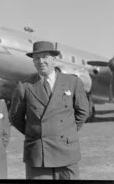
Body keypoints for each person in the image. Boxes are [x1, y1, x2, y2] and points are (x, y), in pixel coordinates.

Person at [9, 41, 89, 180]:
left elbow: (83, 111)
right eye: (36, 58)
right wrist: (37, 132)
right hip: (38, 153)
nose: (40, 61)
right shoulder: (24, 86)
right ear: (33, 62)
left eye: (45, 56)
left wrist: (66, 131)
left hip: (67, 152)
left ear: (54, 59)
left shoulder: (72, 82)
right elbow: (15, 118)